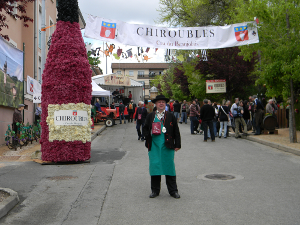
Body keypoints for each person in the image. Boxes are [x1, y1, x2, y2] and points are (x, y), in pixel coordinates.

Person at [143, 95, 181, 199]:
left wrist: (177, 144)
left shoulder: (171, 116)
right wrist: (148, 138)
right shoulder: (150, 116)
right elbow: (145, 128)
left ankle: (173, 191)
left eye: (163, 102)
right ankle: (155, 191)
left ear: (165, 104)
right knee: (155, 168)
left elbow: (176, 131)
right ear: (155, 104)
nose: (161, 104)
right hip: (154, 146)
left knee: (169, 168)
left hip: (167, 146)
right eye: (159, 102)